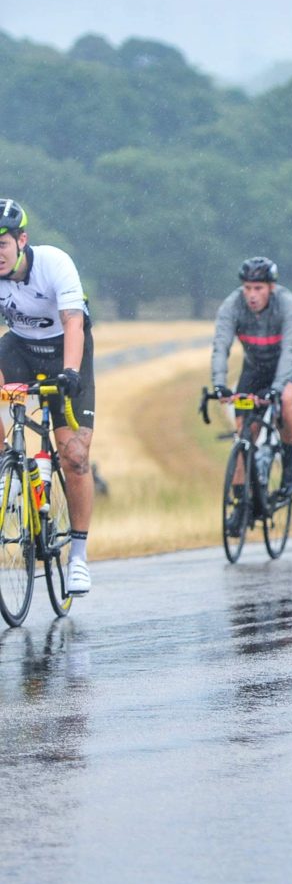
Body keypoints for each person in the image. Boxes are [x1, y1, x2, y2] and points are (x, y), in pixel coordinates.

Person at [0, 199, 97, 594]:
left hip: (64, 350)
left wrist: (71, 373)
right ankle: (9, 471)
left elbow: (73, 321)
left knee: (73, 454)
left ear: (22, 240)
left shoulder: (54, 264)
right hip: (19, 348)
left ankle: (78, 556)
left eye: (2, 244)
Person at [211, 256, 292, 519]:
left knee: (286, 402)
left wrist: (277, 388)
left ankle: (288, 466)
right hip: (255, 368)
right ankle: (240, 505)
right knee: (243, 433)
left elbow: (290, 350)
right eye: (247, 288)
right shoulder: (232, 306)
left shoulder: (287, 305)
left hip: (290, 365)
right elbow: (221, 345)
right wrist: (220, 384)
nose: (252, 295)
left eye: (258, 289)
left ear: (271, 288)